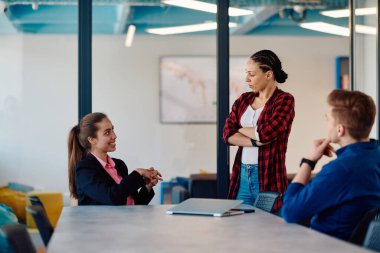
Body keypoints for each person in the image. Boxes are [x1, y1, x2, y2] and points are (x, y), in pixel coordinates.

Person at [282, 89, 380, 241]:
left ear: (340, 129)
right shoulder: (374, 156)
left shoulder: (341, 169)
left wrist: (309, 161)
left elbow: (290, 212)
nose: (326, 123)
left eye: (328, 119)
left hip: (328, 246)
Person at [223, 49, 295, 212]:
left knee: (268, 232)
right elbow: (227, 134)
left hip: (268, 177)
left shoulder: (284, 100)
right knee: (240, 229)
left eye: (252, 74)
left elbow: (266, 133)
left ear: (268, 74)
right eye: (246, 73)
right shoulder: (243, 100)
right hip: (241, 175)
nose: (246, 79)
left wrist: (239, 129)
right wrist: (256, 141)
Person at [68, 112, 162, 205]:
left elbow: (132, 204)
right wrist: (138, 172)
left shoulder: (119, 165)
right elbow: (111, 197)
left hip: (127, 220)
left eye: (112, 130)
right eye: (107, 132)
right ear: (92, 140)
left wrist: (148, 186)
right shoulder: (85, 169)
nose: (114, 136)